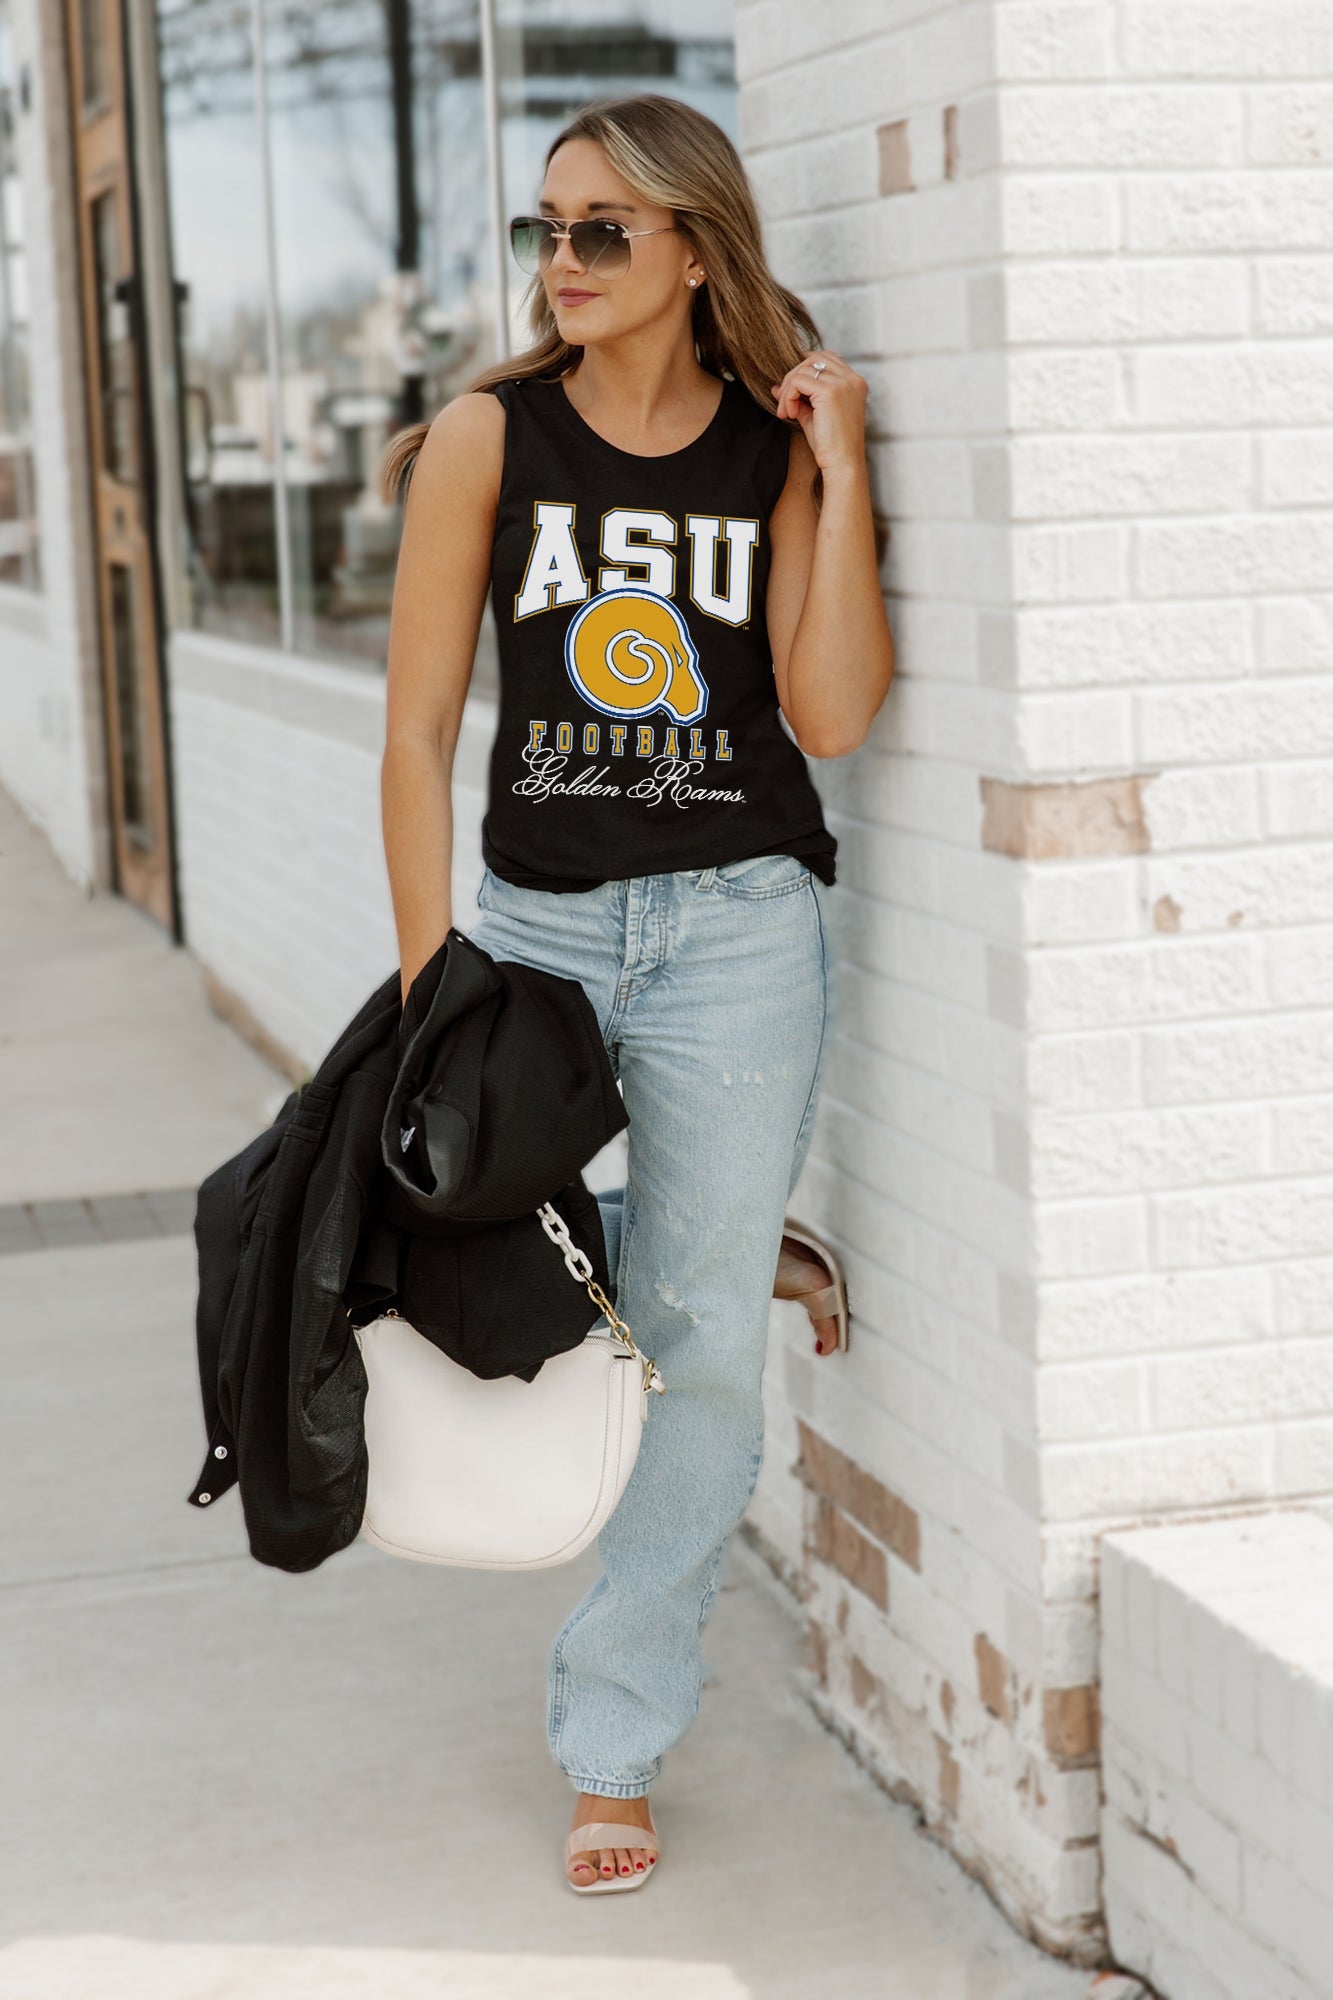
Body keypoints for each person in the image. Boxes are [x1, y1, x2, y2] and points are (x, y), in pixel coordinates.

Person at [377, 91, 894, 1893]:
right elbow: (419, 730)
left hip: (743, 923)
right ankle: (717, 1226)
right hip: (540, 928)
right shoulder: (486, 441)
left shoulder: (765, 453)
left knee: (703, 1380)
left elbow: (828, 718)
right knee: (465, 1241)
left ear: (693, 247)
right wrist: (428, 976)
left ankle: (613, 1737)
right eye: (549, 229)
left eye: (605, 230)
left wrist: (841, 471)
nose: (568, 263)